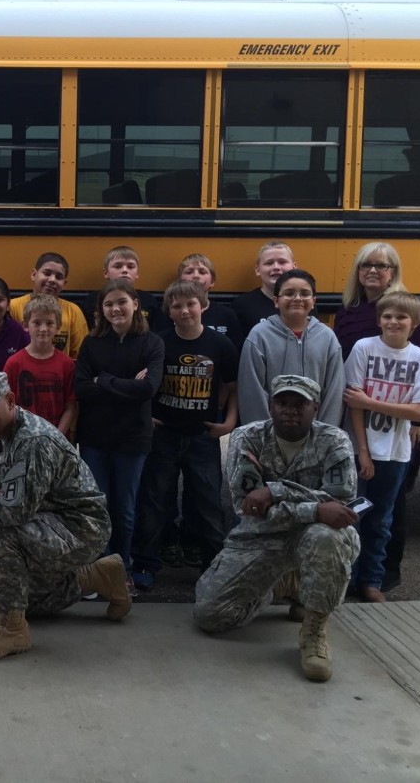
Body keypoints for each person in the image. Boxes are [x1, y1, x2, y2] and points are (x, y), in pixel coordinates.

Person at [0, 372, 132, 662]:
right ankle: (98, 577)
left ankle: (12, 630)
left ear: (9, 401)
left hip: (80, 527)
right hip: (44, 519)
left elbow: (9, 517)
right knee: (21, 598)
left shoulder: (33, 441)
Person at [195, 375, 361, 683]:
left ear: (316, 407)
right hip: (261, 536)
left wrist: (273, 491)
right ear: (271, 405)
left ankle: (313, 633)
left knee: (327, 536)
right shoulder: (247, 437)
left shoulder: (334, 440)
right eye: (282, 402)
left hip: (312, 536)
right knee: (210, 616)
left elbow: (339, 504)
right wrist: (314, 508)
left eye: (300, 403)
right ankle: (284, 583)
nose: (290, 410)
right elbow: (249, 510)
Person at [333, 241, 420, 592]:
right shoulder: (349, 311)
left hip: (399, 428)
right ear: (358, 271)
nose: (373, 271)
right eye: (367, 265)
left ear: (393, 272)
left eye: (382, 266)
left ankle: (383, 574)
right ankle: (348, 576)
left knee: (389, 505)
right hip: (356, 421)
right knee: (355, 500)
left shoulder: (409, 310)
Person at [130, 281, 238, 591]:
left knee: (207, 504)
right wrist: (145, 416)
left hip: (203, 436)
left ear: (203, 305)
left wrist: (229, 423)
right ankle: (146, 563)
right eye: (177, 306)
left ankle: (213, 567)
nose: (185, 310)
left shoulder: (220, 345)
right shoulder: (158, 343)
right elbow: (143, 385)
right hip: (163, 434)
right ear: (169, 312)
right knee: (153, 501)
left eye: (190, 303)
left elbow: (232, 388)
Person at [74, 280, 164, 577]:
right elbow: (82, 388)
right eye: (108, 304)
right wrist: (127, 386)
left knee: (125, 511)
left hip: (133, 440)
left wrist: (104, 380)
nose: (115, 309)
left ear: (135, 303)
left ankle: (121, 568)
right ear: (101, 310)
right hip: (94, 440)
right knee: (98, 507)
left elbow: (148, 389)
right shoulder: (92, 343)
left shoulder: (152, 343)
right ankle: (98, 568)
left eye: (121, 302)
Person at [238, 269, 344, 426]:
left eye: (305, 293)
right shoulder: (259, 336)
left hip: (315, 436)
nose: (297, 298)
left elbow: (334, 391)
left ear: (314, 300)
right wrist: (262, 435)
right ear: (276, 301)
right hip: (271, 435)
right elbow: (252, 391)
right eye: (289, 293)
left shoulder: (327, 337)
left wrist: (325, 434)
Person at [4, 294, 77, 436]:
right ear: (25, 325)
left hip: (56, 440)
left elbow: (70, 407)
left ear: (58, 327)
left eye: (49, 323)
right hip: (23, 439)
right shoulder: (13, 364)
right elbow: (7, 406)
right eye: (37, 323)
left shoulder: (67, 365)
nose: (43, 329)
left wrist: (56, 437)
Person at [9, 252, 90, 358]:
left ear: (64, 284)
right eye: (47, 273)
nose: (52, 280)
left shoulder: (73, 311)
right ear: (34, 274)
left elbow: (80, 355)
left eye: (59, 277)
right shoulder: (13, 307)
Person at [80, 246, 162, 330]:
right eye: (118, 266)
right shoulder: (91, 300)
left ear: (137, 273)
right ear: (106, 273)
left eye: (130, 267)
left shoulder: (148, 300)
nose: (124, 270)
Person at [177, 253, 245, 351]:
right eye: (189, 272)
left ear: (212, 281)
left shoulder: (227, 315)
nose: (196, 275)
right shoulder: (170, 313)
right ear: (179, 280)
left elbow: (236, 352)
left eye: (202, 272)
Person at [230, 241, 296, 335]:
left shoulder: (303, 302)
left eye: (282, 262)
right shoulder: (242, 305)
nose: (276, 267)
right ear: (257, 270)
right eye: (269, 263)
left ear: (294, 267)